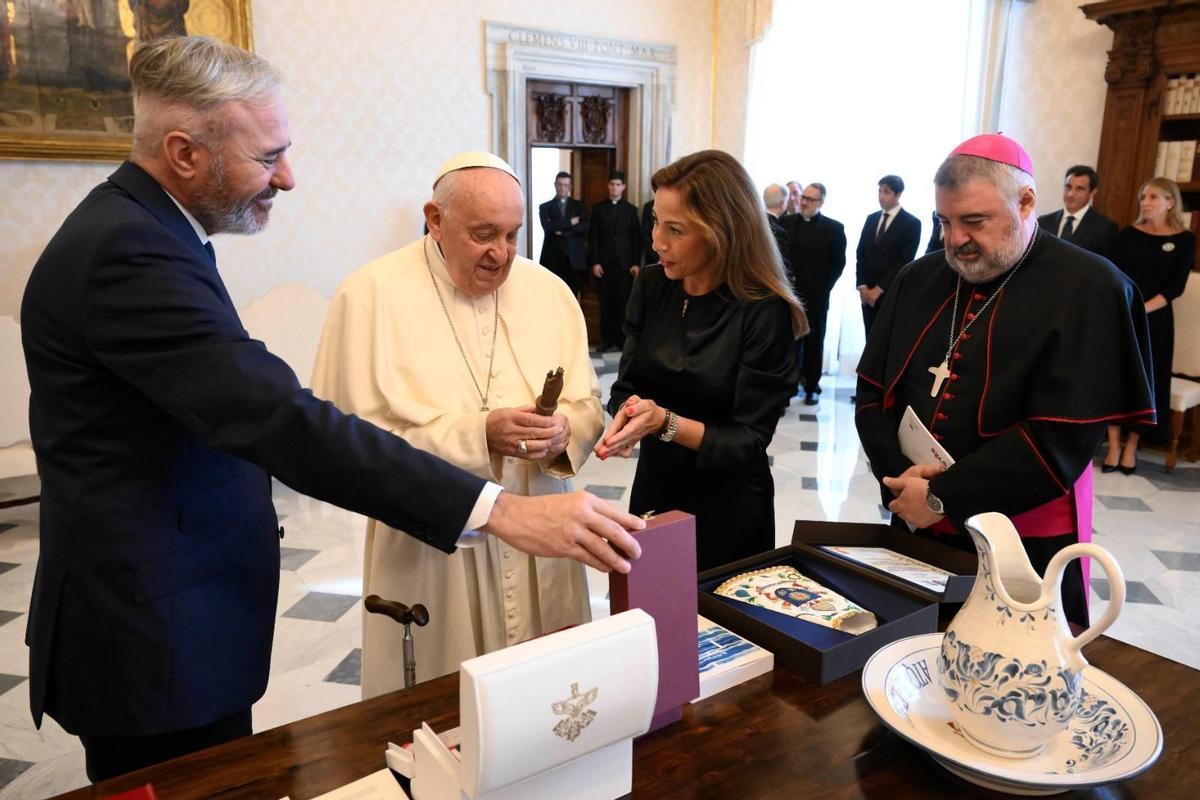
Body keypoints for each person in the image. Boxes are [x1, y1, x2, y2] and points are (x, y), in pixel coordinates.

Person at [19, 36, 642, 782]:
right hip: (152, 628)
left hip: (175, 615)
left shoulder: (149, 233)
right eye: (267, 156)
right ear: (184, 154)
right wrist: (499, 509)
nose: (287, 177)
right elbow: (281, 419)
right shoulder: (130, 251)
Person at [312, 152, 605, 692]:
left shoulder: (550, 292)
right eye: (484, 234)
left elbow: (588, 404)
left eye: (513, 235)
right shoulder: (369, 296)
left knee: (548, 698)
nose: (502, 254)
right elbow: (341, 449)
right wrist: (480, 435)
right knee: (446, 704)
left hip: (540, 527)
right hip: (434, 542)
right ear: (435, 219)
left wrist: (565, 431)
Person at [855, 134, 1154, 629]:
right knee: (909, 654)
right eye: (944, 221)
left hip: (1023, 537)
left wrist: (943, 496)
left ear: (1026, 202)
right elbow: (872, 392)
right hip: (914, 515)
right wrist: (898, 480)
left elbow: (1059, 440)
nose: (955, 240)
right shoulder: (917, 279)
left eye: (974, 221)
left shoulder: (1091, 287)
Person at [595, 150, 805, 572]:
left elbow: (749, 440)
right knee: (654, 603)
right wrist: (629, 415)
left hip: (728, 505)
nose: (657, 241)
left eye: (675, 229)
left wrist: (663, 423)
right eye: (656, 221)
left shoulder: (764, 310)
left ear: (721, 232)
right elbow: (625, 386)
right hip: (655, 489)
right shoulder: (652, 284)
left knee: (716, 611)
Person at [1105, 177, 1196, 470]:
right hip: (1123, 316)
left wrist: (1142, 310)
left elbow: (1175, 287)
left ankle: (1132, 446)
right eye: (1143, 196)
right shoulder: (1128, 235)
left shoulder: (1184, 240)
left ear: (1170, 202)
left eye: (1153, 197)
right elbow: (1114, 275)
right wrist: (1126, 310)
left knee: (1148, 380)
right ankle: (1113, 446)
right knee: (1116, 376)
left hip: (1156, 322)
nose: (1145, 202)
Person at [780, 182, 845, 405]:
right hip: (789, 295)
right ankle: (786, 389)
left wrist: (823, 287)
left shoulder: (834, 229)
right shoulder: (787, 222)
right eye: (803, 198)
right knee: (787, 344)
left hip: (816, 297)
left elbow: (838, 264)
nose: (804, 202)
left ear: (821, 203)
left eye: (810, 199)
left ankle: (811, 387)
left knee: (814, 343)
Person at [855, 174, 921, 340]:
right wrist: (862, 286)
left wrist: (878, 289)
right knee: (869, 336)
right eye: (879, 191)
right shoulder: (871, 218)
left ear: (898, 194)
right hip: (867, 292)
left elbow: (905, 260)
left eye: (886, 192)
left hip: (890, 291)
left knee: (885, 339)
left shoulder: (912, 223)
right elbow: (861, 253)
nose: (881, 196)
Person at [589, 170, 642, 352]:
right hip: (603, 265)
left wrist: (636, 263)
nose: (614, 188)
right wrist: (595, 262)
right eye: (612, 184)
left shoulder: (631, 210)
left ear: (623, 187)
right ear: (608, 186)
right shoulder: (598, 209)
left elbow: (636, 239)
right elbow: (593, 237)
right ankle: (606, 340)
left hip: (624, 266)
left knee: (622, 304)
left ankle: (621, 340)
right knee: (605, 304)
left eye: (618, 185)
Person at [1037, 165, 1119, 260]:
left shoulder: (1105, 228)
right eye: (1068, 187)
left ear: (1092, 192)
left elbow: (1106, 266)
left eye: (1079, 189)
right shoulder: (1043, 222)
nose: (1071, 194)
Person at [538, 171, 589, 296]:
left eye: (565, 185)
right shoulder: (545, 207)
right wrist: (571, 222)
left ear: (570, 187)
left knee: (572, 297)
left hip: (575, 260)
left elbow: (585, 227)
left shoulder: (578, 206)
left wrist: (562, 231)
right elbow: (548, 228)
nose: (562, 188)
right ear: (555, 185)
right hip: (553, 259)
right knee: (553, 296)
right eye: (559, 184)